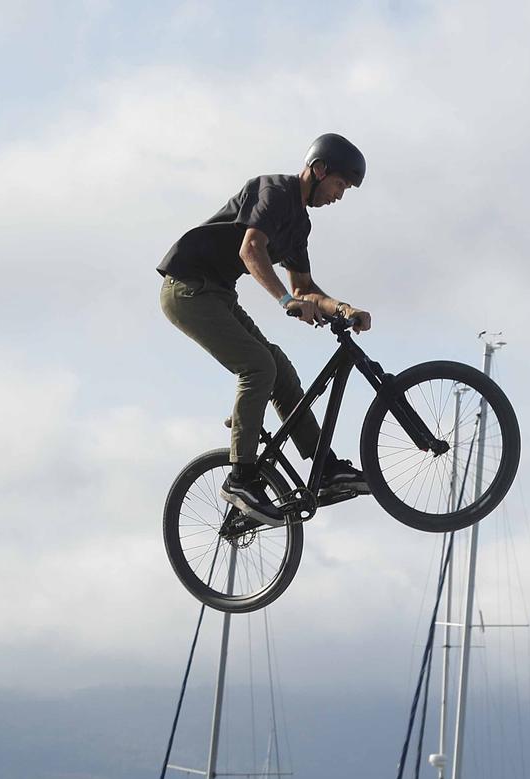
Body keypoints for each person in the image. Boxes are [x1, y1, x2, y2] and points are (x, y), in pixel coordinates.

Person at [156, 134, 375, 526]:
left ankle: (323, 469)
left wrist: (344, 307)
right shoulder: (274, 191)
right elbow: (250, 249)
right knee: (257, 366)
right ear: (320, 170)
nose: (340, 196)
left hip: (218, 295)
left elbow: (304, 288)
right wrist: (284, 302)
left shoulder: (299, 225)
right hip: (187, 290)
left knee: (280, 367)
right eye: (340, 185)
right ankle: (240, 478)